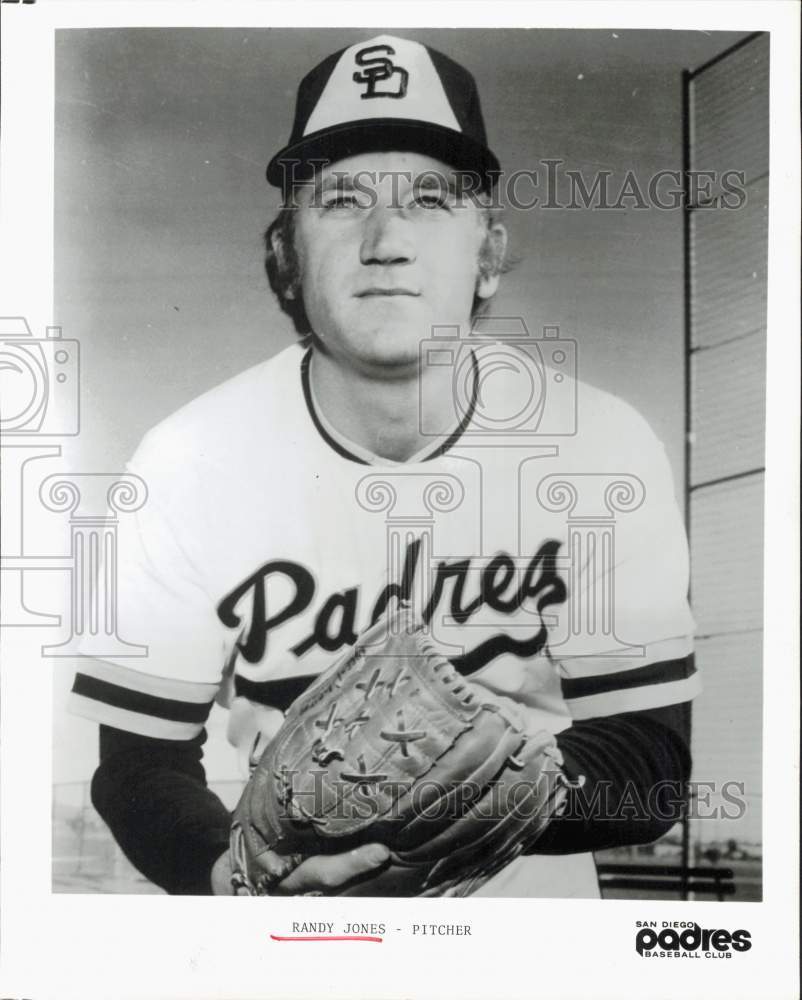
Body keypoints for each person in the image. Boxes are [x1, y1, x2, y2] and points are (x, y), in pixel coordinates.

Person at [69, 33, 700, 897]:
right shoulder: (185, 462)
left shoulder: (601, 443)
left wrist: (448, 815)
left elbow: (649, 756)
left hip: (528, 950)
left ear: (489, 255)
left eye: (433, 200)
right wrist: (234, 875)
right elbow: (138, 765)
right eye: (341, 198)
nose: (386, 239)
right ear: (285, 254)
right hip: (286, 923)